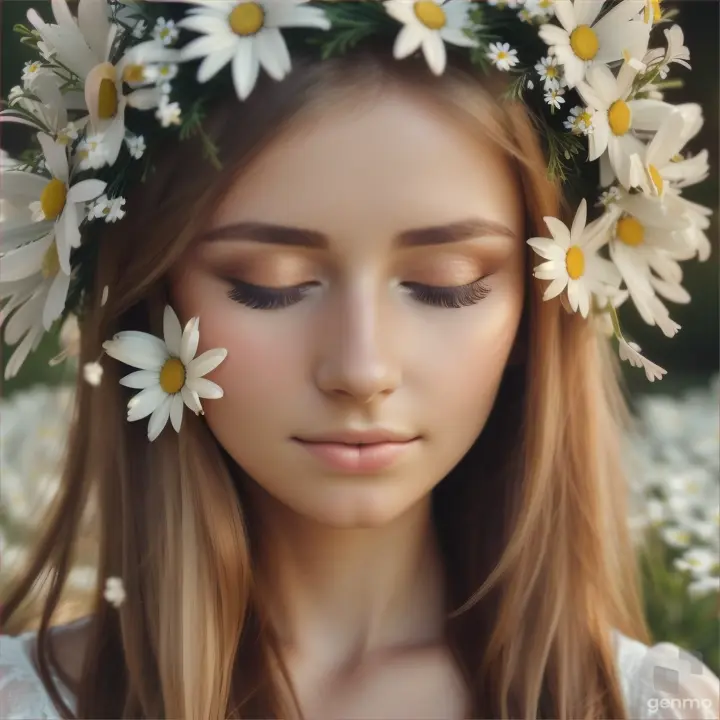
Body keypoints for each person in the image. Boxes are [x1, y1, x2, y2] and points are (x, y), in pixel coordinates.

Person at [0, 0, 718, 718]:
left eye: (447, 284)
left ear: (539, 308)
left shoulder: (654, 705)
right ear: (150, 303)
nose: (362, 368)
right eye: (269, 285)